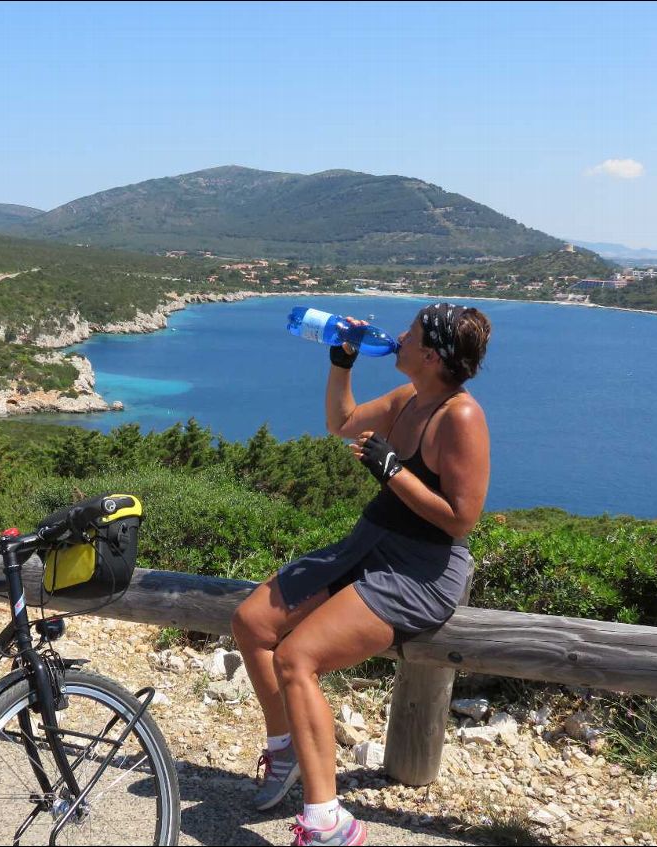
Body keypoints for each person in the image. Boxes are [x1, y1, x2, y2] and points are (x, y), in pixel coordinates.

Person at [231, 302, 492, 846]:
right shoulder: (409, 398)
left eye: (411, 333)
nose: (398, 337)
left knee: (296, 658)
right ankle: (287, 751)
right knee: (252, 622)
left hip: (419, 569)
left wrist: (392, 471)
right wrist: (342, 361)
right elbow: (341, 423)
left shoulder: (460, 416)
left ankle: (329, 821)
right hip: (369, 544)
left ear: (433, 354)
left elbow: (461, 518)